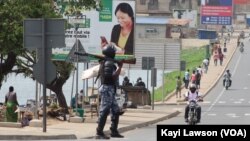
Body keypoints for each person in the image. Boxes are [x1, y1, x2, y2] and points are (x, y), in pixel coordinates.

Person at [96, 44, 124, 139]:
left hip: (111, 89)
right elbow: (111, 77)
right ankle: (99, 132)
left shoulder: (108, 62)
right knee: (105, 110)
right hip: (107, 89)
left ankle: (114, 130)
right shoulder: (108, 63)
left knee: (115, 110)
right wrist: (120, 67)